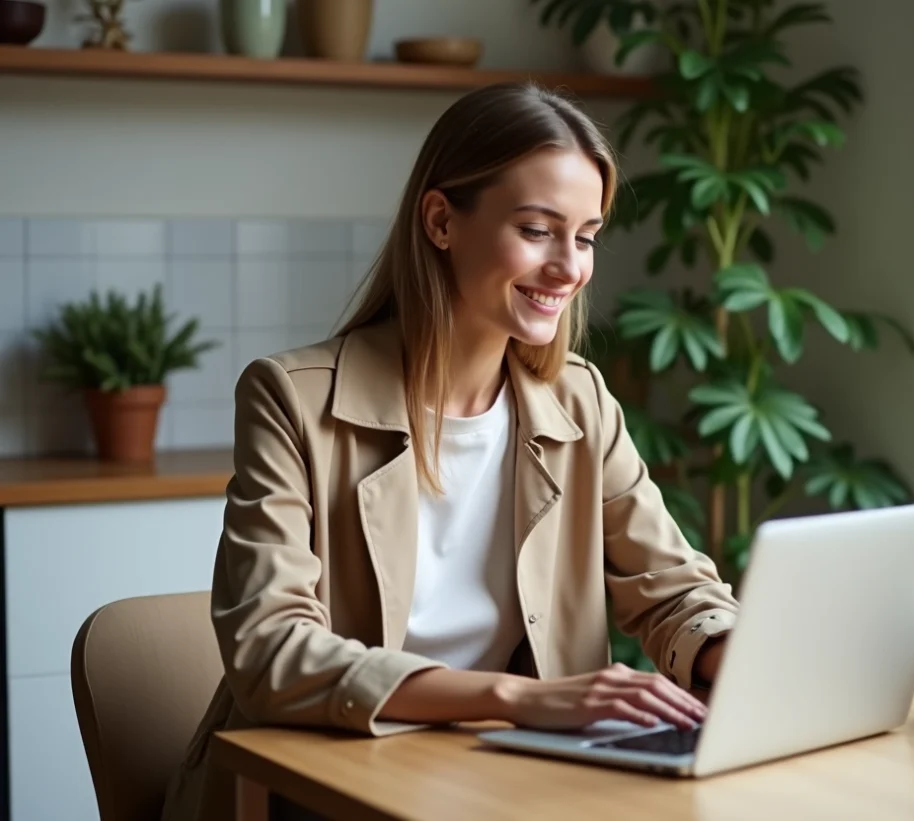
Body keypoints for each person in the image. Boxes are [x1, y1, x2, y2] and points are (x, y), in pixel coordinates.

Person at [161, 82, 739, 821]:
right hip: (323, 789)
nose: (570, 266)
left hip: (510, 784)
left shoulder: (580, 401)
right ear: (440, 221)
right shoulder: (291, 398)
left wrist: (736, 656)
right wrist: (520, 697)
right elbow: (271, 650)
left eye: (587, 235)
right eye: (538, 229)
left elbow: (674, 589)